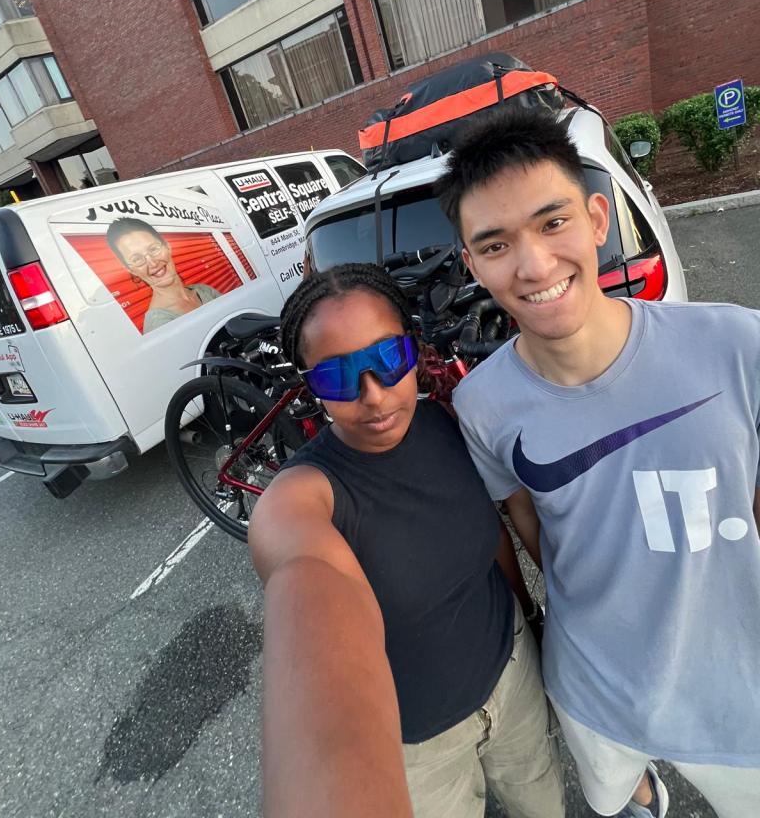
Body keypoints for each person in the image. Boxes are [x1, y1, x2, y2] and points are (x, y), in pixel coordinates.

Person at [434, 109, 760, 818]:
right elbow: (530, 523)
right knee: (614, 797)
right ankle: (645, 797)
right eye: (496, 244)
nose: (533, 266)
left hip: (739, 695)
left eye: (552, 223)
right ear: (472, 264)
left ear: (597, 219)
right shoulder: (482, 403)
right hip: (594, 692)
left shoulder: (736, 344)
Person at [248, 263, 564, 818]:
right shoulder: (302, 497)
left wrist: (528, 616)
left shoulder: (446, 422)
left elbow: (489, 535)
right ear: (310, 385)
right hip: (418, 751)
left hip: (513, 678)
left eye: (388, 358)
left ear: (413, 348)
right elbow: (303, 582)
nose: (373, 395)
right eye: (338, 378)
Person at [106, 218, 221, 334]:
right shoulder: (159, 325)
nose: (153, 263)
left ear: (167, 246)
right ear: (131, 269)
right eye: (137, 259)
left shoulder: (204, 291)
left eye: (153, 249)